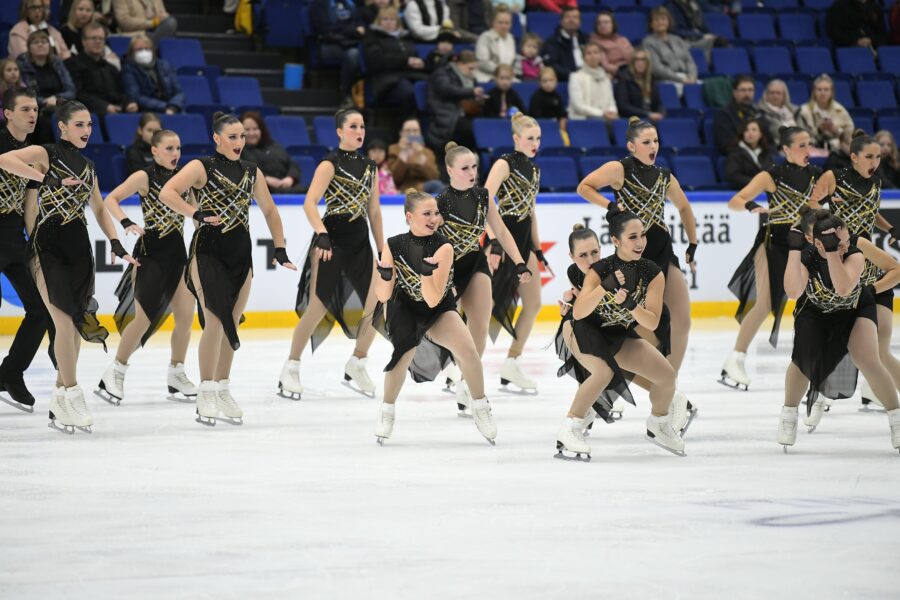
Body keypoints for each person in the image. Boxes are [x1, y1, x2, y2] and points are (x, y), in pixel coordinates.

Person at [0, 99, 139, 433]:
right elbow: (4, 159)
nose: (87, 131)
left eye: (89, 125)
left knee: (74, 324)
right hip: (47, 247)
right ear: (62, 126)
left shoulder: (89, 166)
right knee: (60, 321)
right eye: (79, 125)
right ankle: (73, 393)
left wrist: (117, 244)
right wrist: (44, 179)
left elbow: (100, 209)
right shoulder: (46, 153)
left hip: (79, 247)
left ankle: (62, 396)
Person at [159, 112, 297, 426]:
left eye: (242, 137)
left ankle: (222, 386)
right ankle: (206, 390)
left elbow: (270, 211)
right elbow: (167, 193)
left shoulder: (251, 171)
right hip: (207, 252)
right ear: (217, 138)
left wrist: (279, 247)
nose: (238, 142)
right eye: (232, 137)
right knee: (216, 322)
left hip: (240, 254)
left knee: (232, 321)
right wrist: (194, 213)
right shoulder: (200, 167)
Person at [577, 117, 698, 394]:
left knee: (682, 320)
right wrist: (610, 205)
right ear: (632, 146)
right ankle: (605, 386)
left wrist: (692, 243)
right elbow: (584, 187)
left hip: (662, 250)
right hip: (631, 255)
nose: (653, 146)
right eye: (646, 142)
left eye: (655, 140)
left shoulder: (664, 176)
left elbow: (684, 208)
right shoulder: (619, 169)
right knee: (630, 327)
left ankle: (669, 387)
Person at [556, 209, 684, 460]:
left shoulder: (653, 272)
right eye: (633, 237)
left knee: (667, 377)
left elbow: (652, 321)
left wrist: (632, 306)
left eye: (642, 236)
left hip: (617, 332)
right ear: (616, 241)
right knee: (603, 372)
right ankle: (569, 428)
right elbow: (580, 312)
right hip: (582, 328)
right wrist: (604, 287)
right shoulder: (600, 269)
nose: (640, 242)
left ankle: (659, 423)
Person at [372, 189, 497, 445]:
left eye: (436, 213)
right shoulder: (393, 245)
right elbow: (383, 295)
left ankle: (481, 406)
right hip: (403, 307)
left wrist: (427, 274)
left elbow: (432, 299)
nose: (434, 218)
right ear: (410, 216)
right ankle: (387, 411)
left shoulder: (444, 247)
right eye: (426, 213)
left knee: (468, 351)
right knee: (403, 354)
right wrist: (385, 276)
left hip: (437, 306)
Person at [277, 109, 384, 401]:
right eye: (352, 126)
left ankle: (357, 362)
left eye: (362, 126)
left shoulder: (370, 166)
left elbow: (373, 210)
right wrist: (321, 233)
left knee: (378, 304)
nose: (359, 131)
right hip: (331, 241)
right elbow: (310, 202)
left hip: (360, 240)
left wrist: (382, 247)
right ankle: (292, 366)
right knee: (317, 307)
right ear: (339, 131)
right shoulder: (330, 162)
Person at [778, 210, 899, 453]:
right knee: (803, 359)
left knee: (868, 357)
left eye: (844, 240)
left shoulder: (854, 250)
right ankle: (789, 414)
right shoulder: (808, 256)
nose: (844, 246)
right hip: (817, 310)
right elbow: (792, 292)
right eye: (837, 242)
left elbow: (843, 288)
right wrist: (793, 251)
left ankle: (896, 420)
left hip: (855, 306)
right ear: (818, 243)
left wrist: (834, 252)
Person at [96, 129, 197, 405]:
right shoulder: (144, 177)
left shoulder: (183, 180)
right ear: (154, 151)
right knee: (142, 319)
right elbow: (111, 199)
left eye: (178, 148)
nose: (175, 154)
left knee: (186, 318)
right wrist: (126, 222)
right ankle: (115, 371)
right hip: (150, 254)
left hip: (178, 254)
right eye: (169, 149)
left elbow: (194, 212)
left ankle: (177, 372)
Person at [434, 142, 531, 411]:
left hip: (475, 263)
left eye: (474, 166)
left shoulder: (483, 197)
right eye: (465, 168)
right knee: (450, 331)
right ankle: (457, 367)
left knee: (479, 326)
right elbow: (428, 241)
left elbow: (500, 231)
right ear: (450, 170)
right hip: (449, 270)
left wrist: (520, 262)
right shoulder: (440, 202)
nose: (471, 172)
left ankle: (466, 382)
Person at [721, 126, 819, 389]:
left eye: (809, 144)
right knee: (764, 304)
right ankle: (735, 358)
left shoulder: (815, 176)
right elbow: (735, 200)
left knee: (811, 304)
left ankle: (813, 367)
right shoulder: (771, 175)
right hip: (771, 243)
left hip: (801, 245)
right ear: (786, 149)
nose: (807, 150)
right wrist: (752, 205)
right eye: (801, 145)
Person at [810, 131, 898, 411]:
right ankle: (821, 394)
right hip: (840, 261)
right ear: (854, 157)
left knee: (880, 349)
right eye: (869, 156)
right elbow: (810, 206)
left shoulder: (875, 182)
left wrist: (891, 228)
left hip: (868, 260)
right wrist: (825, 213)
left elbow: (871, 211)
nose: (875, 161)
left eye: (878, 157)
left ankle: (873, 388)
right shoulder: (833, 178)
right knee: (836, 343)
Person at [485, 112, 546, 392]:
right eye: (530, 138)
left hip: (523, 242)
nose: (535, 143)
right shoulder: (504, 163)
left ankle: (512, 362)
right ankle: (457, 364)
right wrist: (495, 242)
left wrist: (537, 247)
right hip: (502, 238)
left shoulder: (534, 170)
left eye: (538, 138)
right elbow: (485, 200)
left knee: (533, 304)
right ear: (516, 139)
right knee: (485, 308)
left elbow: (531, 208)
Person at [0, 89, 51, 412]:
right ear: (7, 113)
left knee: (40, 310)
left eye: (35, 109)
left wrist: (36, 243)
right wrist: (44, 176)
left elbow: (30, 205)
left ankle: (10, 373)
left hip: (11, 238)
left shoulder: (34, 150)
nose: (32, 114)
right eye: (24, 109)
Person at [362, 7, 426, 119]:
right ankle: (409, 125)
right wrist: (405, 61)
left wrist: (420, 63)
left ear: (397, 22)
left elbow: (414, 55)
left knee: (432, 88)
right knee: (409, 93)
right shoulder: (372, 37)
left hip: (410, 75)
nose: (388, 22)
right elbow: (377, 61)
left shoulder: (406, 37)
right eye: (385, 19)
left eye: (392, 19)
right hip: (386, 80)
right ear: (379, 21)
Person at [16, 30, 77, 145]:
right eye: (35, 42)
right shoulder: (22, 65)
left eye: (44, 42)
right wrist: (43, 102)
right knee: (46, 124)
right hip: (36, 108)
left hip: (58, 104)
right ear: (29, 47)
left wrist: (56, 99)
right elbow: (25, 93)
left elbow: (71, 89)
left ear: (49, 46)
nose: (40, 44)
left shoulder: (57, 63)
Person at [65, 22, 137, 117]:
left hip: (115, 111)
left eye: (101, 38)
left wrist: (128, 103)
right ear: (84, 41)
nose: (98, 41)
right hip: (91, 114)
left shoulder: (111, 68)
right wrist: (105, 106)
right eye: (93, 38)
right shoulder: (72, 64)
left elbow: (120, 93)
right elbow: (78, 94)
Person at [425, 51, 484, 154]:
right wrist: (471, 92)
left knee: (482, 126)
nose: (472, 72)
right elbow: (446, 89)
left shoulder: (470, 78)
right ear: (460, 64)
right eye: (470, 68)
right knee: (471, 130)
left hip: (463, 113)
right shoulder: (442, 73)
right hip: (445, 113)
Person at [311, 0, 365, 107]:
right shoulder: (319, 4)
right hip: (329, 44)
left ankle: (363, 95)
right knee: (353, 55)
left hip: (352, 41)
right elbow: (324, 30)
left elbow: (360, 25)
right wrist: (351, 31)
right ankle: (346, 94)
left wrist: (349, 31)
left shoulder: (350, 3)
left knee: (369, 53)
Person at [239, 111, 303, 193]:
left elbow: (292, 164)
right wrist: (265, 179)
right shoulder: (237, 151)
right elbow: (241, 172)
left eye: (255, 129)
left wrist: (290, 178)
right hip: (258, 193)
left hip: (285, 189)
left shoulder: (274, 145)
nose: (251, 133)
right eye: (247, 129)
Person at [121, 34, 184, 114]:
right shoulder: (128, 69)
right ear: (131, 53)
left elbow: (179, 92)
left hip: (172, 109)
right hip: (149, 112)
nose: (144, 52)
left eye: (147, 49)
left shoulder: (164, 65)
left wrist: (173, 106)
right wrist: (165, 107)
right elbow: (136, 96)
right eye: (139, 49)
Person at [712, 76, 771, 156]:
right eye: (743, 90)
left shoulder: (758, 113)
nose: (747, 94)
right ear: (734, 92)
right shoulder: (725, 115)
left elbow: (769, 140)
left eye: (750, 90)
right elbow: (726, 144)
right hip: (740, 159)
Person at [642, 6, 698, 87]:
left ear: (669, 21)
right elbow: (657, 68)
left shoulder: (677, 39)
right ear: (651, 24)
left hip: (687, 77)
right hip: (666, 80)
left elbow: (690, 61)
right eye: (657, 20)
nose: (660, 22)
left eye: (663, 19)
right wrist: (679, 79)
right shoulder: (648, 42)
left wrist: (692, 77)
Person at [799, 74, 854, 153]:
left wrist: (836, 130)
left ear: (831, 92)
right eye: (819, 89)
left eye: (826, 90)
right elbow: (800, 135)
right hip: (812, 148)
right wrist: (819, 130)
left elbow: (850, 132)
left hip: (838, 150)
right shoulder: (804, 110)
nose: (823, 93)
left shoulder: (840, 110)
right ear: (814, 92)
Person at [387, 118, 443, 194]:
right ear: (401, 133)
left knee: (439, 186)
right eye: (408, 131)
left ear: (420, 133)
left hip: (424, 187)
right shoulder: (394, 149)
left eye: (415, 130)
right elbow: (394, 179)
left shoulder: (427, 152)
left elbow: (434, 176)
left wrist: (420, 155)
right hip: (402, 188)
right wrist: (404, 154)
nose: (411, 134)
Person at [60, 0, 121, 69]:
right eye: (80, 9)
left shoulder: (98, 30)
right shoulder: (65, 31)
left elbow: (105, 50)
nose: (84, 13)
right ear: (74, 11)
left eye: (88, 10)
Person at [567, 42, 618, 122]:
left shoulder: (606, 78)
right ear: (584, 57)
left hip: (605, 121)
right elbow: (578, 106)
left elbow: (611, 102)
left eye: (596, 52)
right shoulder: (576, 77)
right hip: (582, 121)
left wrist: (612, 112)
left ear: (600, 56)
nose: (593, 56)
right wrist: (602, 113)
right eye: (589, 53)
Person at [723, 119, 776, 190]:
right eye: (746, 130)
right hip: (743, 192)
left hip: (764, 192)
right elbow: (733, 176)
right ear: (743, 134)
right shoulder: (735, 153)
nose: (750, 133)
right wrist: (757, 183)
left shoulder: (766, 154)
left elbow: (773, 173)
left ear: (761, 134)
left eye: (754, 130)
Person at [613, 49, 663, 121]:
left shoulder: (651, 79)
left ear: (647, 63)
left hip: (650, 119)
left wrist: (661, 113)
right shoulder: (624, 78)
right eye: (637, 60)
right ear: (632, 63)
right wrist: (647, 114)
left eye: (643, 60)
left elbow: (659, 104)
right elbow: (623, 106)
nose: (640, 63)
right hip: (632, 120)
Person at [541, 7, 587, 82]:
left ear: (580, 23)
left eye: (575, 17)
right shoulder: (552, 42)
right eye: (568, 17)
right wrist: (573, 76)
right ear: (561, 22)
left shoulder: (586, 40)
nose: (571, 20)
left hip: (587, 79)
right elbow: (552, 65)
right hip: (565, 81)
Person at [474, 4, 516, 83]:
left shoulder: (511, 38)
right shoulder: (485, 37)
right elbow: (483, 63)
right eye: (500, 22)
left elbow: (512, 61)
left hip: (507, 77)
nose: (504, 26)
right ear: (493, 23)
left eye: (507, 23)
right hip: (487, 77)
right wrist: (501, 71)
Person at [756, 79, 800, 148]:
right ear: (766, 95)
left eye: (778, 93)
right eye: (772, 93)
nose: (775, 96)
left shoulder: (795, 110)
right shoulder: (760, 112)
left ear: (784, 95)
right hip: (776, 148)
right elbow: (775, 132)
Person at [589, 11, 634, 79]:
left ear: (613, 24)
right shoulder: (595, 43)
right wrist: (620, 70)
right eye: (599, 23)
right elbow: (605, 65)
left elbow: (633, 57)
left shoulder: (623, 39)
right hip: (616, 73)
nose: (602, 25)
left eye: (606, 22)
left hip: (631, 70)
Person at [112, 0, 178, 42]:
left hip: (156, 31)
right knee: (170, 25)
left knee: (170, 23)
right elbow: (124, 22)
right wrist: (153, 22)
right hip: (137, 33)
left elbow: (162, 16)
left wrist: (163, 16)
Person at [528, 66, 567, 131]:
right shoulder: (536, 97)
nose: (548, 84)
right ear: (539, 82)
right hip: (540, 128)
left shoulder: (557, 96)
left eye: (551, 80)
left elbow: (561, 112)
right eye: (544, 81)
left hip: (555, 128)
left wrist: (563, 118)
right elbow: (536, 117)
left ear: (556, 81)